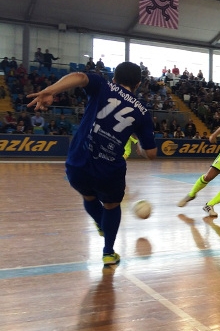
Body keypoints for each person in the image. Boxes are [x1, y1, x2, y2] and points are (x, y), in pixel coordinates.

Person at [27, 61, 157, 266]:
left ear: (114, 78)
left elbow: (79, 77)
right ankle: (108, 252)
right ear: (138, 84)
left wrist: (49, 91)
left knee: (88, 196)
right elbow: (151, 153)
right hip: (109, 169)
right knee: (112, 206)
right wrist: (140, 148)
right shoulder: (142, 113)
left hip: (78, 160)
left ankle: (99, 222)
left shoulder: (103, 85)